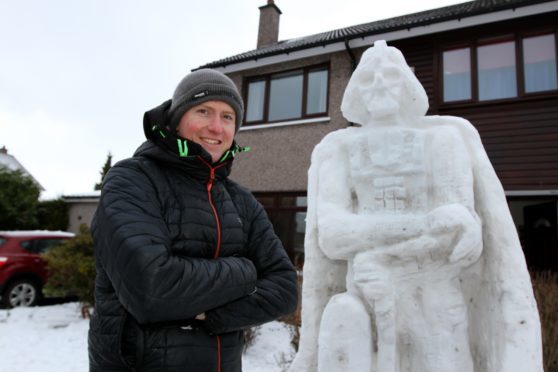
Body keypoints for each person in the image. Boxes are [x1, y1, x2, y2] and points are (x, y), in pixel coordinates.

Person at [289, 41, 542, 372]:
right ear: (356, 92)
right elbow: (334, 236)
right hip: (367, 297)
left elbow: (460, 236)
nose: (379, 84)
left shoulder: (444, 140)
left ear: (407, 84)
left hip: (436, 303)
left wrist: (380, 254)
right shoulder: (339, 149)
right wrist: (426, 224)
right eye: (368, 78)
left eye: (390, 75)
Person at [88, 69, 299, 372]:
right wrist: (246, 269)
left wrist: (211, 315)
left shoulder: (242, 201)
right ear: (176, 120)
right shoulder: (133, 180)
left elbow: (285, 289)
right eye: (203, 111)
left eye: (228, 117)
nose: (216, 127)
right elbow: (152, 289)